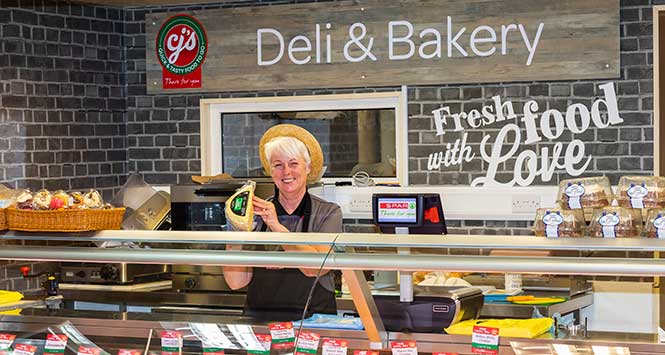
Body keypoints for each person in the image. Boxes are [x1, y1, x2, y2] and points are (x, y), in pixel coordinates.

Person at [223, 124, 343, 321]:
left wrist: (276, 226)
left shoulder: (328, 213)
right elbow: (236, 282)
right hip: (261, 324)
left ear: (308, 167)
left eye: (293, 163)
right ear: (270, 171)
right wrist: (236, 230)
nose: (286, 172)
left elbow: (314, 267)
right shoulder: (255, 215)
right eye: (278, 165)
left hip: (312, 323)